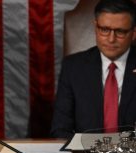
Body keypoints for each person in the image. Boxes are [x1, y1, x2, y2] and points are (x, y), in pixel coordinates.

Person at [51, 0, 136, 138]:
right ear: (96, 27)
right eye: (104, 30)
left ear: (133, 33)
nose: (111, 39)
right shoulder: (73, 67)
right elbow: (60, 129)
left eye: (120, 31)